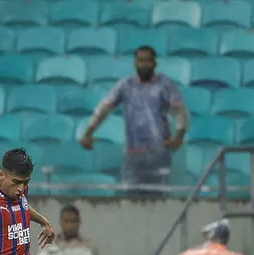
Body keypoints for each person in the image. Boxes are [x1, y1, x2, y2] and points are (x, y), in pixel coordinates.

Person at [80, 46, 190, 195]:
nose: (144, 64)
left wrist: (179, 137)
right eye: (140, 61)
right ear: (135, 63)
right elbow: (104, 108)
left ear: (154, 63)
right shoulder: (126, 85)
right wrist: (89, 132)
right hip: (133, 155)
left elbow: (180, 111)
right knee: (131, 199)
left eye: (147, 61)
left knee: (160, 199)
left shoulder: (165, 84)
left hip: (159, 154)